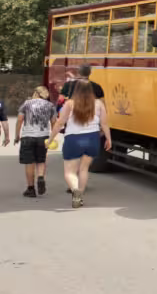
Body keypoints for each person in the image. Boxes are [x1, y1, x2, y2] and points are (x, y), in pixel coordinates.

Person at [47, 80, 112, 208]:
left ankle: (75, 191)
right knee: (84, 169)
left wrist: (50, 139)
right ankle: (80, 196)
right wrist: (109, 139)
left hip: (73, 139)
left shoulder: (69, 103)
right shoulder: (98, 103)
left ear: (76, 90)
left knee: (69, 172)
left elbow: (60, 123)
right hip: (93, 139)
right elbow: (104, 123)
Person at [14, 87, 57, 197]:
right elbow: (54, 122)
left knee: (29, 163)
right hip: (43, 136)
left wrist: (17, 135)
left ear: (36, 93)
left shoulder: (26, 104)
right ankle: (41, 177)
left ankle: (31, 189)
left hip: (28, 136)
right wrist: (52, 137)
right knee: (41, 160)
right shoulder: (50, 106)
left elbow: (19, 120)